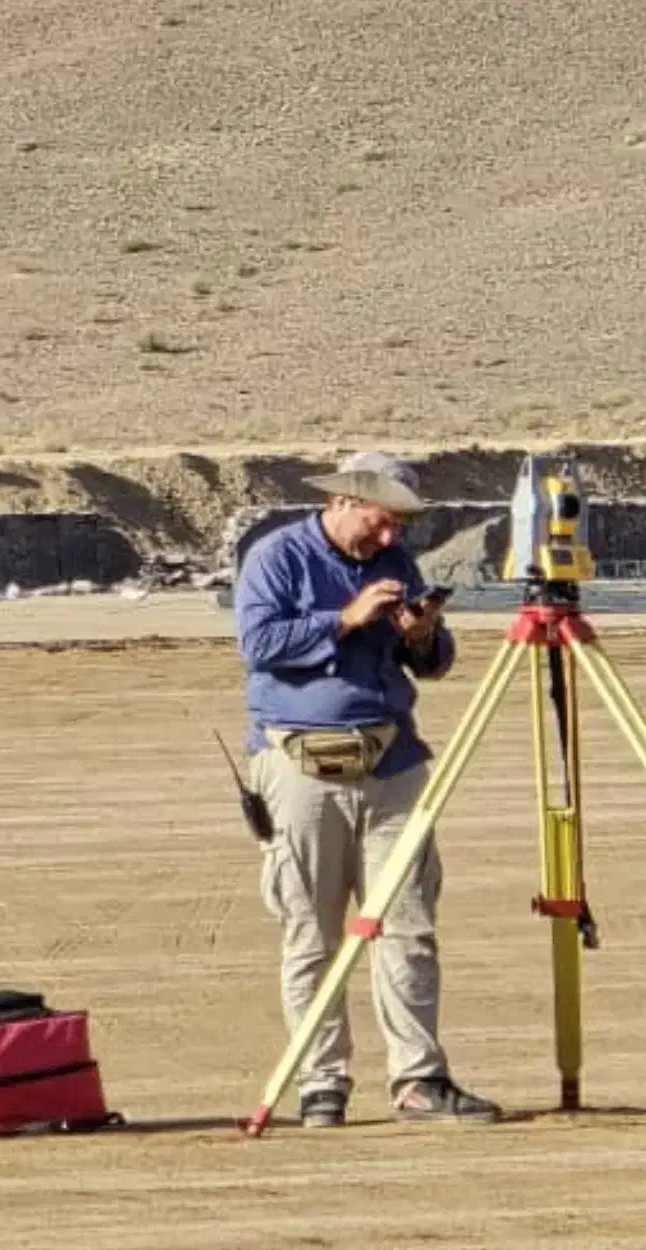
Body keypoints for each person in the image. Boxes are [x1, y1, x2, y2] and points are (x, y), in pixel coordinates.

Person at [233, 451, 501, 1128]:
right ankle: (321, 1081)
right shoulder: (276, 557)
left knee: (408, 928)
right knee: (312, 934)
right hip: (300, 768)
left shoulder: (397, 566)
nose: (389, 541)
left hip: (391, 763)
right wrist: (344, 619)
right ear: (345, 502)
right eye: (380, 525)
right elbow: (259, 645)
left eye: (398, 530)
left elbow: (430, 664)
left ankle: (418, 1079)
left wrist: (421, 635)